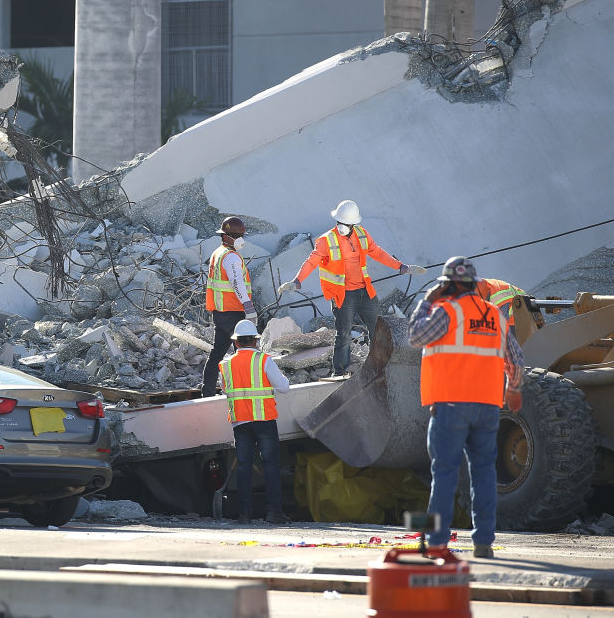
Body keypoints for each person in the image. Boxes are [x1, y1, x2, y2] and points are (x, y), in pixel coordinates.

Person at [408, 256, 524, 558]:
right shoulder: (495, 315)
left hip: (450, 405)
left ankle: (436, 543)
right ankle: (484, 543)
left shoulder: (447, 311)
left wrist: (427, 301)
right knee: (484, 474)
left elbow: (416, 336)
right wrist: (513, 388)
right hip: (487, 407)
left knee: (444, 473)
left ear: (448, 286)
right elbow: (516, 360)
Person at [278, 199, 426, 377]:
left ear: (354, 224)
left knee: (377, 329)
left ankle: (378, 366)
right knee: (344, 334)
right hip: (343, 295)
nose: (343, 226)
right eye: (340, 222)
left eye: (347, 224)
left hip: (365, 291)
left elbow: (377, 252)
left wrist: (401, 267)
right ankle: (340, 371)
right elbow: (311, 262)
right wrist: (296, 281)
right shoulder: (326, 240)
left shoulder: (361, 234)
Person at [218, 319, 291, 524]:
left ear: (236, 342)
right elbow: (284, 387)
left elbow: (225, 389)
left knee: (243, 467)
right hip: (264, 420)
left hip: (240, 421)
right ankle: (274, 512)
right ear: (256, 341)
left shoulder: (226, 364)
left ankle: (245, 514)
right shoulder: (264, 360)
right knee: (271, 465)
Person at [202, 216, 258, 397]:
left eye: (240, 235)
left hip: (221, 312)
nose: (239, 239)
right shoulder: (231, 257)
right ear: (225, 236)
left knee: (217, 353)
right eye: (235, 235)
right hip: (233, 313)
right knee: (244, 353)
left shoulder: (218, 253)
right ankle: (243, 391)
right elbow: (237, 283)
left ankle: (207, 392)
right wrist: (248, 307)